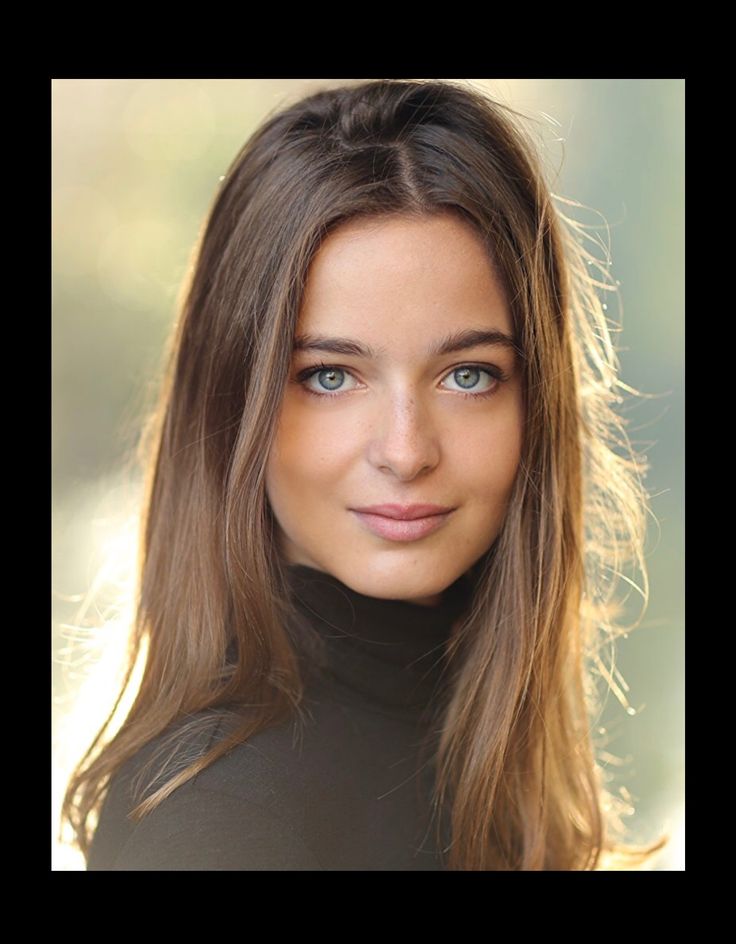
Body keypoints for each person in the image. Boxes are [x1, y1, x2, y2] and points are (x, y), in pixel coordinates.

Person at [60, 78, 670, 871]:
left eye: (469, 374)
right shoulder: (216, 815)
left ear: (538, 404)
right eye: (330, 376)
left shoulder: (475, 758)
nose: (406, 449)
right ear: (229, 404)